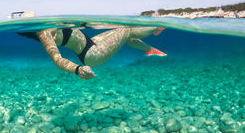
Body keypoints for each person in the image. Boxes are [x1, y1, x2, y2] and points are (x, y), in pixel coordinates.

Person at [29, 25, 166, 80]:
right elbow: (57, 59)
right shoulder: (43, 32)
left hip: (91, 44)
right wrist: (78, 70)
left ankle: (150, 50)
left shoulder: (49, 25)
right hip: (92, 55)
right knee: (127, 30)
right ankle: (156, 27)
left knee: (124, 35)